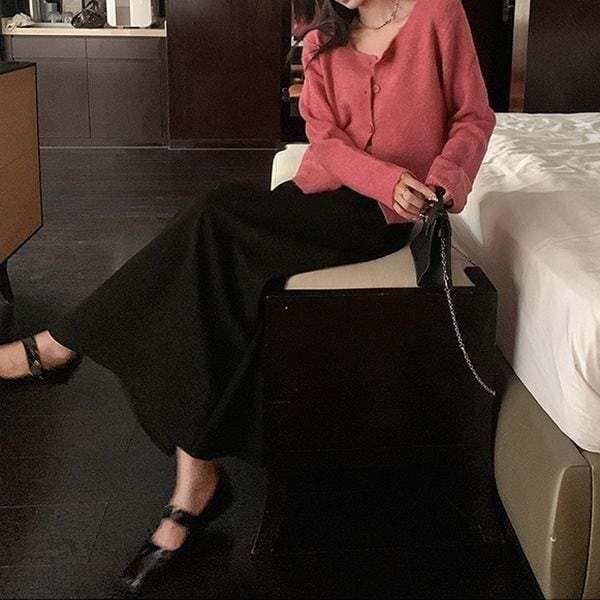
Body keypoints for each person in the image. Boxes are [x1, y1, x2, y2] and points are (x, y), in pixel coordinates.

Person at [0, 0, 496, 591]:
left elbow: (473, 116)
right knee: (211, 279)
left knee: (213, 214)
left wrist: (442, 181)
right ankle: (194, 485)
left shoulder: (438, 13)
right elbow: (324, 140)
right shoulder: (321, 38)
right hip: (322, 195)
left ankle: (60, 348)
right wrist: (383, 177)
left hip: (379, 218)